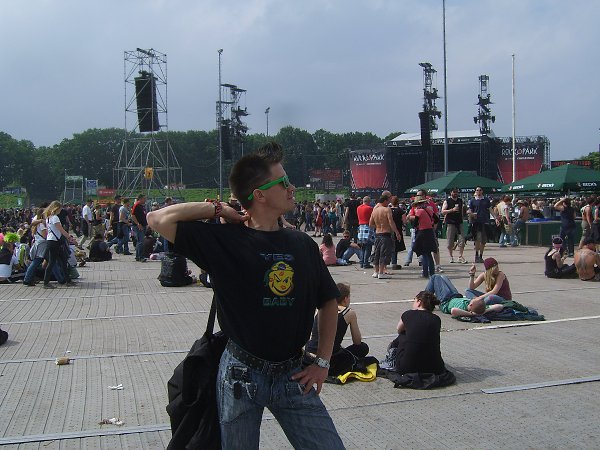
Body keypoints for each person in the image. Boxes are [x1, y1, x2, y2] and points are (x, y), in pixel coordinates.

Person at [147, 142, 344, 449]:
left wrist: (322, 361)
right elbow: (156, 219)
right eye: (283, 182)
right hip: (241, 375)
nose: (292, 188)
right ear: (259, 195)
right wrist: (218, 208)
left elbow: (329, 302)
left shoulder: (303, 244)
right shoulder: (224, 240)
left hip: (294, 373)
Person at [305, 283, 369, 376]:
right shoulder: (349, 313)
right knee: (363, 347)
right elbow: (357, 341)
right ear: (345, 298)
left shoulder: (320, 308)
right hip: (329, 359)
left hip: (309, 356)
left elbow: (312, 334)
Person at [389, 291, 446, 375]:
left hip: (406, 368)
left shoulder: (408, 314)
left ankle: (392, 354)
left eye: (414, 300)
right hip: (435, 368)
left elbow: (399, 329)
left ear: (419, 302)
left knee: (403, 333)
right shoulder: (436, 319)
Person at [425, 274, 504, 317]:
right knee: (443, 277)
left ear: (471, 305)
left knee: (435, 277)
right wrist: (483, 312)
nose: (473, 298)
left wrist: (471, 314)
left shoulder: (463, 309)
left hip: (445, 301)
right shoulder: (480, 308)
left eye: (474, 299)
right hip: (455, 295)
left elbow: (453, 311)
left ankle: (424, 300)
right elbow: (500, 306)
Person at [43, 201, 77, 289]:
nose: (61, 210)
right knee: (54, 262)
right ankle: (46, 282)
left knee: (62, 260)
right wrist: (69, 237)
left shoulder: (48, 218)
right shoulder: (55, 218)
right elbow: (61, 229)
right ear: (56, 208)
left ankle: (67, 280)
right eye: (60, 209)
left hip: (51, 240)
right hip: (55, 241)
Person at [369, 194, 402, 279]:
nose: (389, 203)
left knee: (377, 253)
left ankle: (376, 272)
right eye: (388, 201)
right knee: (384, 254)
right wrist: (397, 233)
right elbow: (391, 222)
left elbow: (370, 224)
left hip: (377, 234)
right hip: (385, 234)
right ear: (385, 201)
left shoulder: (374, 210)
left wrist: (378, 225)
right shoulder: (387, 209)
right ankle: (381, 272)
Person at [408, 196, 437, 278]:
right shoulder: (429, 210)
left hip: (422, 232)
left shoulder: (419, 211)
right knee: (429, 253)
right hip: (430, 231)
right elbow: (436, 219)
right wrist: (430, 223)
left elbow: (414, 224)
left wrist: (419, 223)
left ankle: (425, 273)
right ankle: (432, 272)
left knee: (423, 253)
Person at [467, 186, 498, 263]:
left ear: (482, 191)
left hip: (485, 221)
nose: (478, 191)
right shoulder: (473, 200)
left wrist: (495, 218)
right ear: (475, 191)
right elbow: (469, 210)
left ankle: (480, 256)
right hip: (476, 222)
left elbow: (490, 210)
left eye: (480, 190)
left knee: (484, 240)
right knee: (477, 239)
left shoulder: (486, 200)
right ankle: (476, 255)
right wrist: (471, 214)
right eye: (477, 190)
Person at [441, 188, 467, 263]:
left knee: (462, 240)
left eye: (456, 192)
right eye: (454, 192)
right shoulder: (447, 201)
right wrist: (452, 210)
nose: (455, 193)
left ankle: (460, 256)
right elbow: (443, 211)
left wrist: (462, 218)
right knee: (450, 241)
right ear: (451, 193)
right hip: (450, 223)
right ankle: (451, 256)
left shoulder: (460, 200)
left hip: (459, 223)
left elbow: (462, 211)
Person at [389, 196, 406, 270]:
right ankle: (394, 263)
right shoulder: (400, 211)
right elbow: (405, 221)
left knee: (389, 246)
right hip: (398, 229)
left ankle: (387, 262)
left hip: (389, 230)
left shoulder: (388, 210)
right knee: (395, 247)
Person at [357, 196, 374, 269]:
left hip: (361, 227)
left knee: (362, 246)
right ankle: (366, 263)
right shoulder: (370, 208)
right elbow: (372, 218)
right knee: (368, 246)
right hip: (368, 227)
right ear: (368, 201)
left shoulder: (358, 208)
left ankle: (361, 262)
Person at [131, 194, 148, 262]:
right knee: (141, 241)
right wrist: (138, 224)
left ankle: (138, 256)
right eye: (144, 198)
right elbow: (133, 215)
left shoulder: (141, 206)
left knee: (140, 241)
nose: (145, 200)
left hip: (143, 225)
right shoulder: (136, 205)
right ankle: (141, 256)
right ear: (140, 199)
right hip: (138, 226)